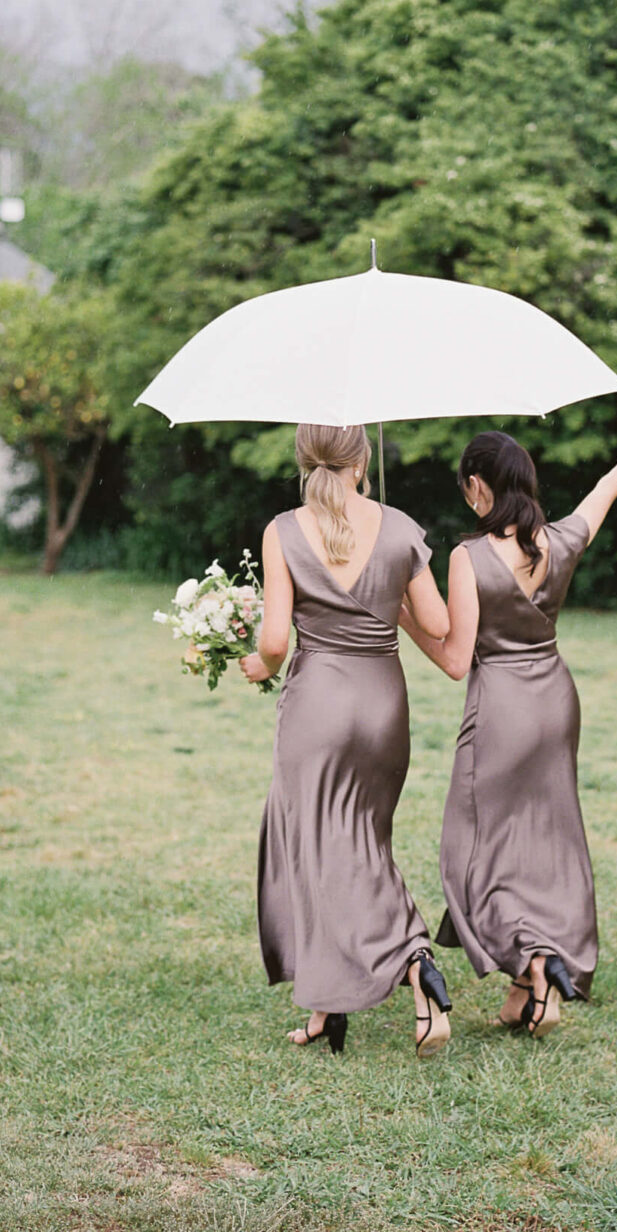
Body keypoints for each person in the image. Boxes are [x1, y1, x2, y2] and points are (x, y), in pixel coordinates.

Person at [404, 415, 617, 1033]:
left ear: (479, 486)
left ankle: (532, 958)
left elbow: (457, 661)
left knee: (473, 850)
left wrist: (404, 616)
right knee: (545, 843)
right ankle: (535, 979)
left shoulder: (470, 556)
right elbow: (609, 486)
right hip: (556, 700)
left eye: (466, 486)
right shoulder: (559, 540)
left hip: (502, 709)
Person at [241, 422, 456, 1056]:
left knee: (320, 849)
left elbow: (276, 643)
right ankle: (326, 1005)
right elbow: (440, 623)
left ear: (305, 460)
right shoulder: (399, 526)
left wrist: (257, 664)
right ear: (361, 461)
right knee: (363, 842)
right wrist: (386, 591)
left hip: (318, 708)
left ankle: (415, 960)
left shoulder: (282, 530)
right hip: (384, 704)